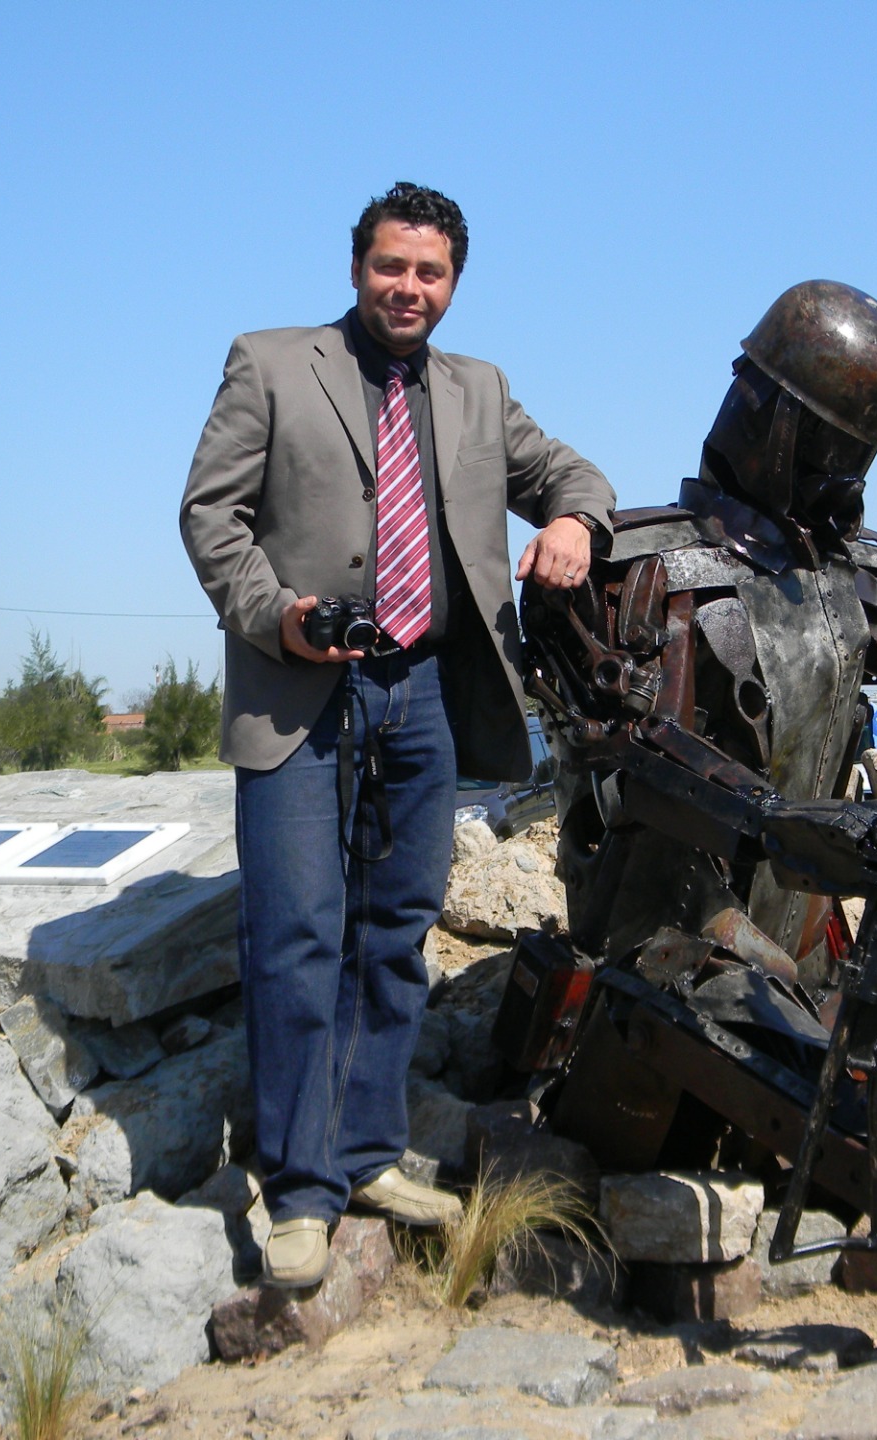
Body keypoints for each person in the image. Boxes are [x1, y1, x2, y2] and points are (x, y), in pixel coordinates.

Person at [181, 182, 614, 1288]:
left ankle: (369, 1155)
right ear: (357, 266)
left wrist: (571, 520)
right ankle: (301, 1192)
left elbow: (570, 473)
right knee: (296, 935)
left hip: (423, 693)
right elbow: (208, 514)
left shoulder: (480, 390)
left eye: (429, 274)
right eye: (390, 267)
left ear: (453, 285)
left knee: (393, 934)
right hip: (299, 695)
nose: (407, 289)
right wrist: (276, 613)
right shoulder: (272, 363)